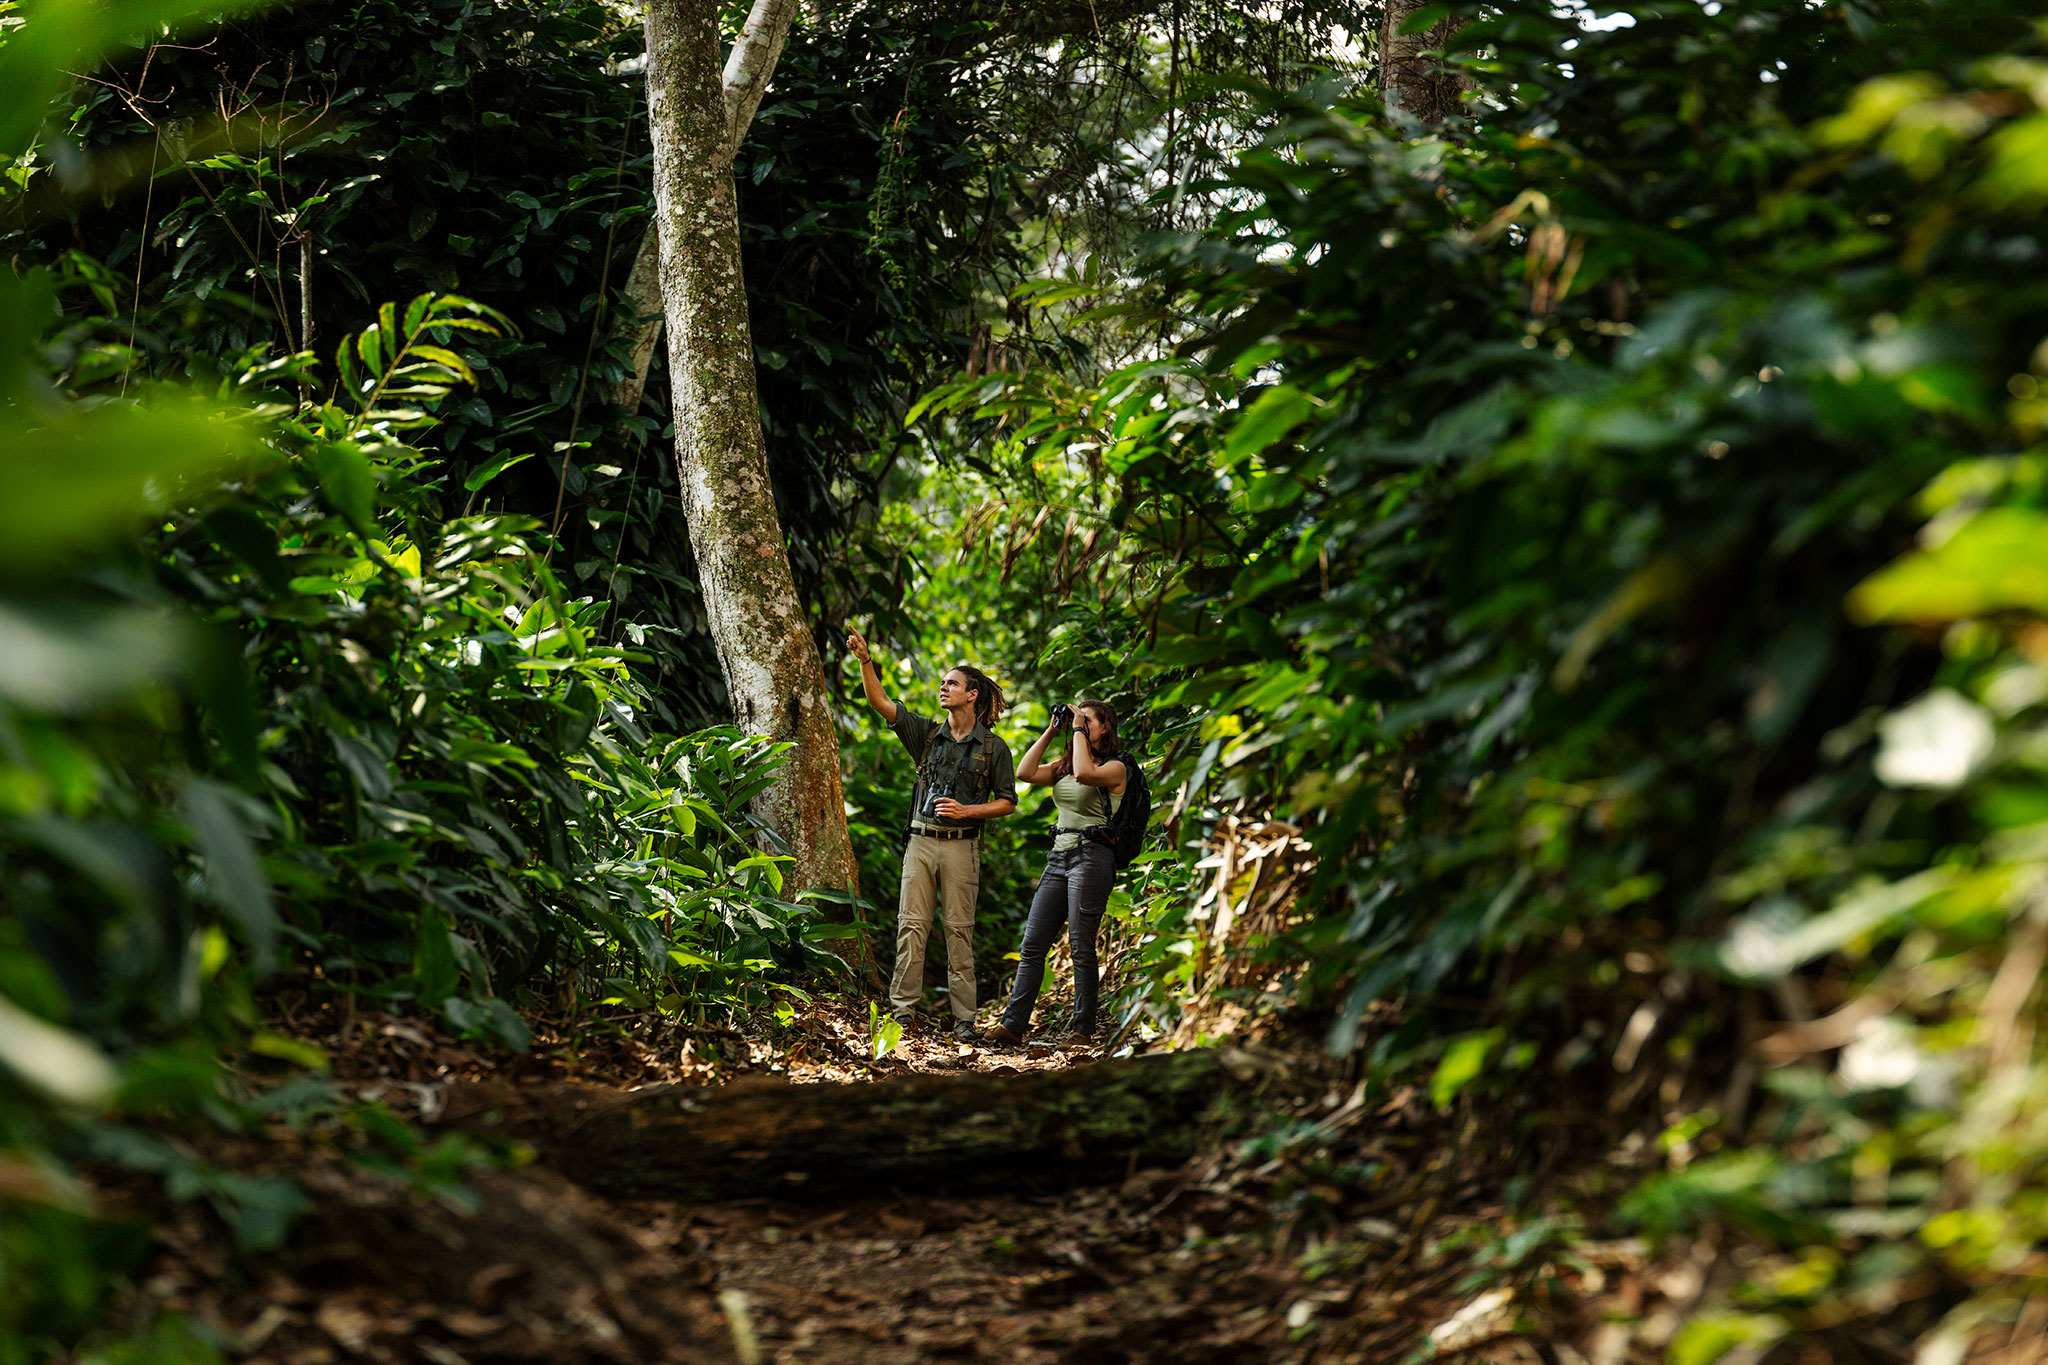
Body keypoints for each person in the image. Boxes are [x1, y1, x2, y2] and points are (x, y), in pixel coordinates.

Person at [846, 629, 1017, 1042]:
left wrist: (967, 811)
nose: (943, 688)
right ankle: (903, 1014)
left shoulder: (994, 748)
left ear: (972, 694)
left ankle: (965, 1021)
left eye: (952, 683)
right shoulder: (925, 733)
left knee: (959, 931)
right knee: (911, 926)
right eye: (943, 682)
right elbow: (880, 703)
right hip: (920, 843)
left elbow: (1007, 801)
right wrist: (866, 660)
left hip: (962, 847)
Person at [985, 699, 1125, 1047]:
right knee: (1032, 946)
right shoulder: (1063, 766)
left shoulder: (1115, 768)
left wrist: (1077, 728)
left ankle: (1082, 1030)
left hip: (1092, 858)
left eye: (1089, 720)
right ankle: (1013, 1026)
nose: (1081, 723)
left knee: (1081, 947)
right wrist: (1053, 729)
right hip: (1058, 859)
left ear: (1105, 728)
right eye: (1080, 718)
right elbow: (1025, 773)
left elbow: (1085, 774)